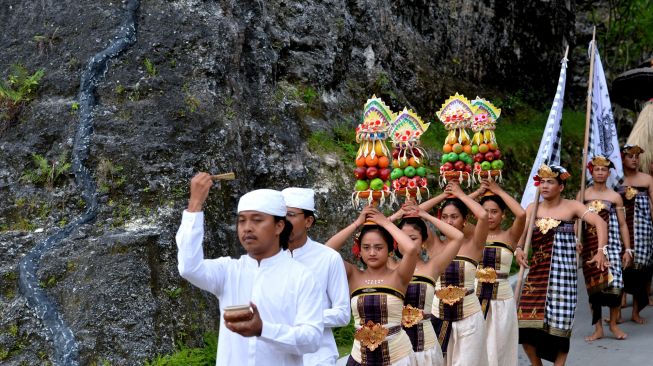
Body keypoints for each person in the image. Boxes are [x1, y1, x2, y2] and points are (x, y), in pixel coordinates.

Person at [176, 173, 322, 365]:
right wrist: (195, 205)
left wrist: (263, 330)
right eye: (242, 220)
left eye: (257, 220)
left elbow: (311, 339)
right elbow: (189, 267)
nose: (247, 228)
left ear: (279, 226)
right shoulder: (228, 272)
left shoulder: (301, 276)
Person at [516, 164, 609, 366]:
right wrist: (518, 249)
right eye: (542, 182)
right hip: (536, 278)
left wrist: (601, 251)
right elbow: (520, 237)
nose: (545, 186)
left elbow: (600, 223)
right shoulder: (533, 208)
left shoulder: (572, 207)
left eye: (551, 182)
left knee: (560, 332)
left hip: (563, 279)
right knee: (525, 330)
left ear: (561, 186)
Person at [326, 205, 419, 366]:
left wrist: (386, 223)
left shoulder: (399, 276)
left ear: (390, 250)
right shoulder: (353, 275)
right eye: (366, 247)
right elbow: (325, 252)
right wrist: (357, 223)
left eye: (379, 247)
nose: (372, 253)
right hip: (359, 357)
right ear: (359, 251)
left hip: (398, 357)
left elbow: (411, 249)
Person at [419, 180, 489, 366]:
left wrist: (460, 194)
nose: (449, 222)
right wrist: (445, 195)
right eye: (445, 217)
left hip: (469, 319)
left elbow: (482, 215)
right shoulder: (434, 244)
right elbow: (417, 213)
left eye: (454, 217)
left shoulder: (474, 244)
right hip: (438, 316)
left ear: (464, 220)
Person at [387, 200, 465, 366]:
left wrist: (424, 214)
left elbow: (458, 237)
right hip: (395, 351)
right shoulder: (388, 266)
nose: (408, 243)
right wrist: (397, 215)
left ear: (423, 242)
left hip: (426, 349)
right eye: (403, 238)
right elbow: (374, 231)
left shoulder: (433, 266)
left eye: (413, 238)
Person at [281, 187, 351, 366]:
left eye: (290, 214)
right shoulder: (267, 258)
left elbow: (342, 314)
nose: (283, 220)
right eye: (280, 214)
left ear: (308, 221)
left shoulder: (328, 258)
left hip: (318, 356)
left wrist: (304, 317)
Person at [469, 178, 525, 366]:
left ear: (502, 215)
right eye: (485, 212)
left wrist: (499, 191)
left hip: (501, 301)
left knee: (498, 349)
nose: (490, 216)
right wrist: (477, 193)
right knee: (474, 348)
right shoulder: (472, 234)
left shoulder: (509, 236)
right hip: (474, 300)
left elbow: (522, 214)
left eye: (494, 212)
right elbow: (456, 212)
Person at [577, 155, 632, 340]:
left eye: (604, 170)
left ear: (609, 173)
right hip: (589, 248)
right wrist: (577, 240)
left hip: (612, 247)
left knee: (615, 286)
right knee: (594, 291)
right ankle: (598, 328)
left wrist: (628, 249)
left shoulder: (615, 196)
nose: (600, 172)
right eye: (597, 169)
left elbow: (623, 224)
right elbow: (577, 222)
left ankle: (614, 325)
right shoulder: (583, 195)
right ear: (591, 171)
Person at [618, 144, 653, 323]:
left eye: (636, 156)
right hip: (620, 231)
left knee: (641, 271)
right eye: (630, 156)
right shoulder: (616, 180)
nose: (634, 159)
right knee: (620, 269)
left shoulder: (647, 179)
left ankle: (636, 313)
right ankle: (616, 312)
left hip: (643, 232)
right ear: (622, 158)